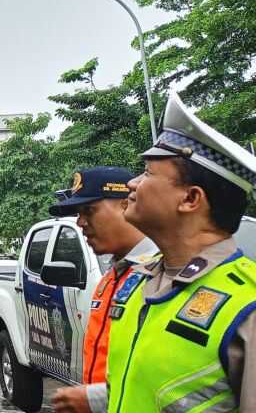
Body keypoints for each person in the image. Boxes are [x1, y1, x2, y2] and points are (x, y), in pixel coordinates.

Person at [105, 92, 256, 412]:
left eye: (147, 173)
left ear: (190, 199)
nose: (132, 183)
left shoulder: (247, 308)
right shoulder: (138, 283)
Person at [48, 167, 156, 413]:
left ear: (125, 204)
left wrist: (96, 400)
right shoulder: (110, 278)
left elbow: (159, 377)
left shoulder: (161, 276)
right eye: (78, 213)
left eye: (89, 211)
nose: (80, 222)